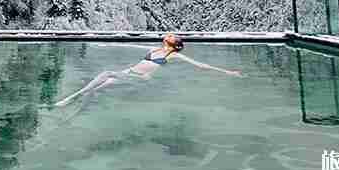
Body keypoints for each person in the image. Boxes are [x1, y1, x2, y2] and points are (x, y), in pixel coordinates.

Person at [54, 33, 243, 107]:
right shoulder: (154, 49)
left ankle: (70, 98)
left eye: (171, 36)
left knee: (105, 73)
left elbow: (202, 65)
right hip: (129, 74)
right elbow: (131, 48)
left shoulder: (173, 55)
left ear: (173, 44)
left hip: (139, 79)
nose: (168, 35)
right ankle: (76, 111)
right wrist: (105, 45)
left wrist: (228, 73)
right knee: (96, 89)